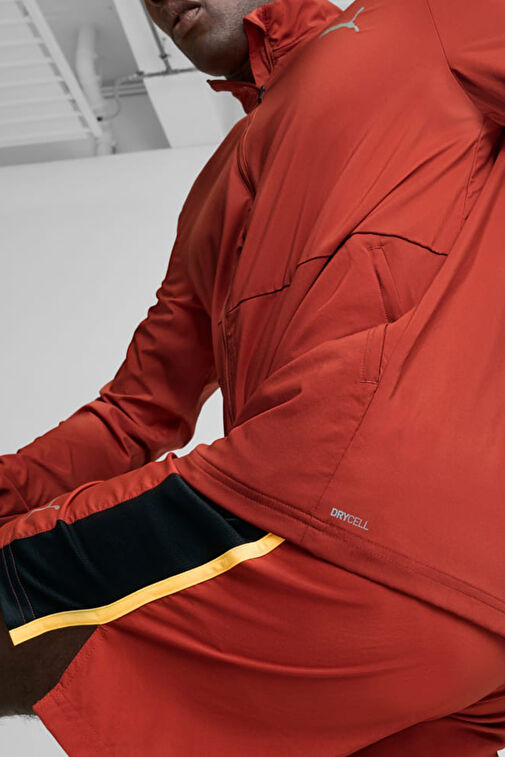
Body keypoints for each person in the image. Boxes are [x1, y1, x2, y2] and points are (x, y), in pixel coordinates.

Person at [1, 0, 505, 753]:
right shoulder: (214, 191)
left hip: (340, 516)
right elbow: (134, 412)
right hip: (463, 658)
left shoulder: (417, 22)